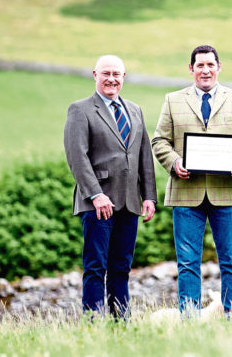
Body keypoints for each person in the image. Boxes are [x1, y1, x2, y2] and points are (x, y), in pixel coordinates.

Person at [151, 45, 232, 320]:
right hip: (186, 193)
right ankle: (189, 320)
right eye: (200, 65)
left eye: (210, 65)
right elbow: (159, 141)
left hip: (228, 192)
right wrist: (174, 161)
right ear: (191, 69)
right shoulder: (172, 100)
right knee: (187, 263)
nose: (205, 70)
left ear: (219, 67)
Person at [64, 55, 157, 318]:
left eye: (116, 74)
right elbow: (77, 157)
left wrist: (149, 195)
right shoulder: (80, 110)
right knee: (95, 267)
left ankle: (121, 322)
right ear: (95, 74)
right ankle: (93, 322)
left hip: (129, 201)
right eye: (106, 73)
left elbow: (143, 155)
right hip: (97, 203)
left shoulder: (135, 110)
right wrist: (96, 194)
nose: (111, 79)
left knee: (122, 267)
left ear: (123, 78)